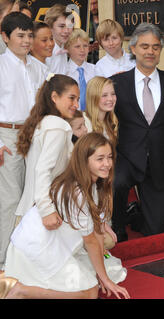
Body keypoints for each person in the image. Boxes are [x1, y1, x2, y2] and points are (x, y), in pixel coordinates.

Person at [1, 132, 129, 299]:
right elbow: (90, 240)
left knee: (101, 272)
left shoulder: (94, 184)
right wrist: (104, 279)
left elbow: (97, 231)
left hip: (54, 245)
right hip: (37, 250)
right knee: (90, 292)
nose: (107, 164)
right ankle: (20, 290)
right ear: (84, 160)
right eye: (100, 159)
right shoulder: (76, 191)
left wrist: (103, 274)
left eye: (109, 157)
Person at [110, 23, 164, 241]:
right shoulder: (117, 83)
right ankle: (118, 223)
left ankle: (135, 215)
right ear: (133, 49)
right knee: (116, 182)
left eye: (155, 47)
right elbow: (103, 116)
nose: (150, 51)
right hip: (126, 156)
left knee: (156, 231)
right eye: (144, 46)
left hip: (160, 161)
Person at [0, 11, 47, 270]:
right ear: (5, 37)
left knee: (36, 196)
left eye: (30, 35)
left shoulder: (40, 67)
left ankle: (29, 255)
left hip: (37, 135)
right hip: (7, 133)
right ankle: (5, 260)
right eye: (20, 36)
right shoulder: (0, 66)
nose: (27, 41)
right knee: (9, 199)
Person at [15, 74, 78, 231]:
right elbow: (42, 170)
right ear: (54, 97)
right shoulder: (57, 126)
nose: (76, 104)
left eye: (77, 99)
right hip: (41, 215)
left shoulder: (43, 122)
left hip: (28, 211)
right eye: (71, 98)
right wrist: (47, 210)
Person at [65, 28, 95, 111]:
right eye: (77, 46)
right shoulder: (64, 72)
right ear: (67, 49)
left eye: (85, 46)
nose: (82, 50)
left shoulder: (95, 70)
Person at [84, 76, 118, 146]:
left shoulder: (112, 121)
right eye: (104, 95)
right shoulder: (84, 122)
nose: (110, 99)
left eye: (113, 94)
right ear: (93, 97)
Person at [44, 3, 73, 74]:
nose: (66, 31)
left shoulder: (62, 48)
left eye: (70, 26)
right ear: (50, 27)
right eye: (61, 26)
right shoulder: (45, 52)